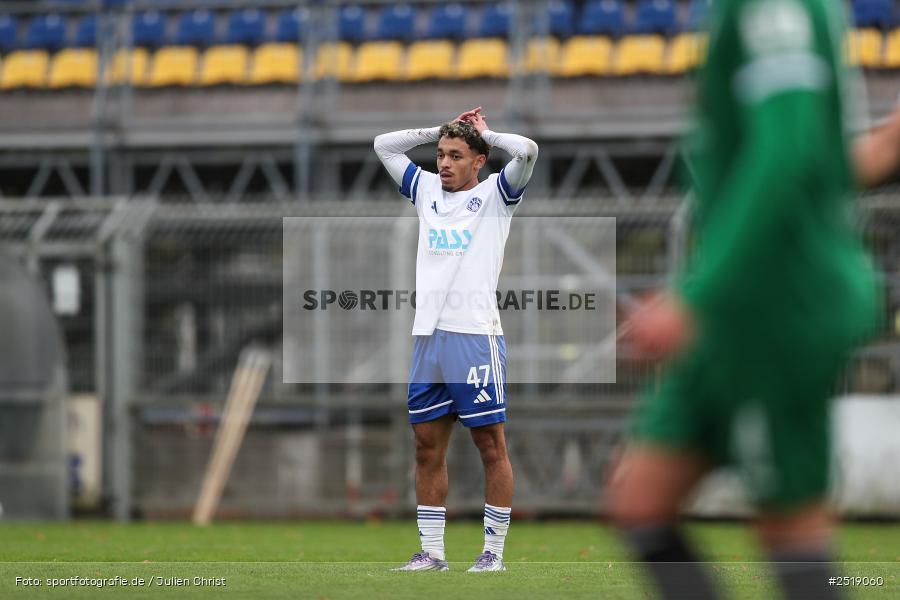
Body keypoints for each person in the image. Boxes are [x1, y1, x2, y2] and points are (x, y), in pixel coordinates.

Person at [608, 0, 885, 598]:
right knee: (640, 502)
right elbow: (817, 156)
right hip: (735, 308)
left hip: (775, 306)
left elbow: (784, 149)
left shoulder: (774, 8)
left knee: (789, 532)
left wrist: (696, 296)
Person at [374, 108, 538, 572]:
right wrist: (438, 129)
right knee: (426, 447)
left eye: (455, 155)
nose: (443, 163)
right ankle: (432, 553)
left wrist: (485, 133)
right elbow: (383, 144)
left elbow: (527, 150)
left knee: (490, 445)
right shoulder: (425, 189)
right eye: (440, 155)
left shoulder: (497, 196)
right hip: (428, 338)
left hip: (474, 337)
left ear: (479, 162)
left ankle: (493, 553)